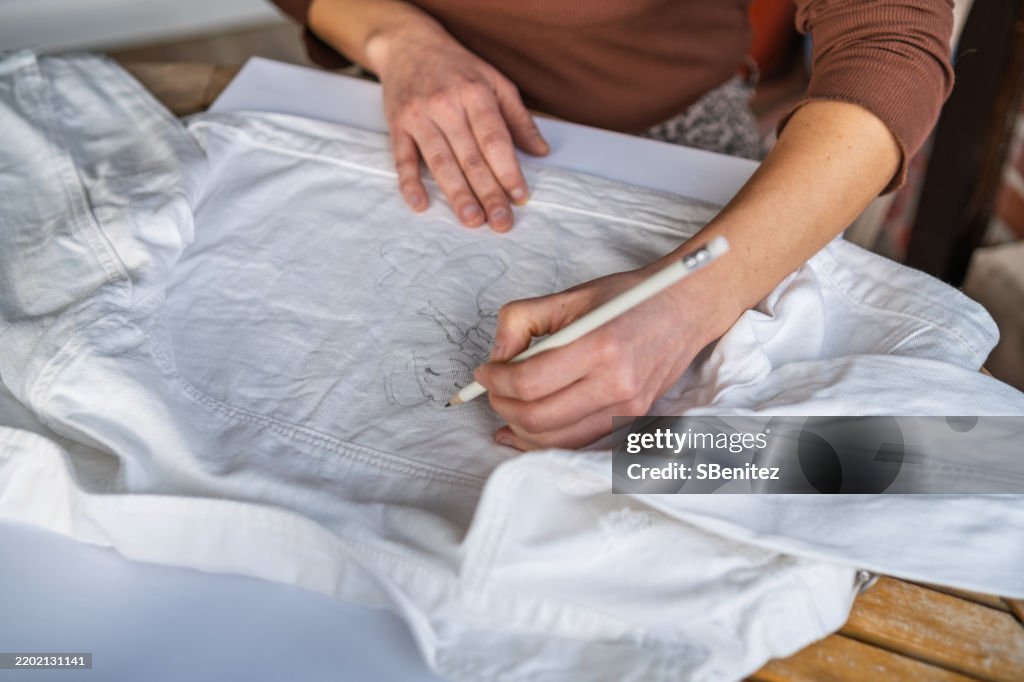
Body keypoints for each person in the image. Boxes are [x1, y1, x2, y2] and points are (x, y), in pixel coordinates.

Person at [272, 0, 955, 450]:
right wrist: (398, 38)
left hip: (670, 136)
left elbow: (889, 43)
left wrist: (695, 299)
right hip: (402, 101)